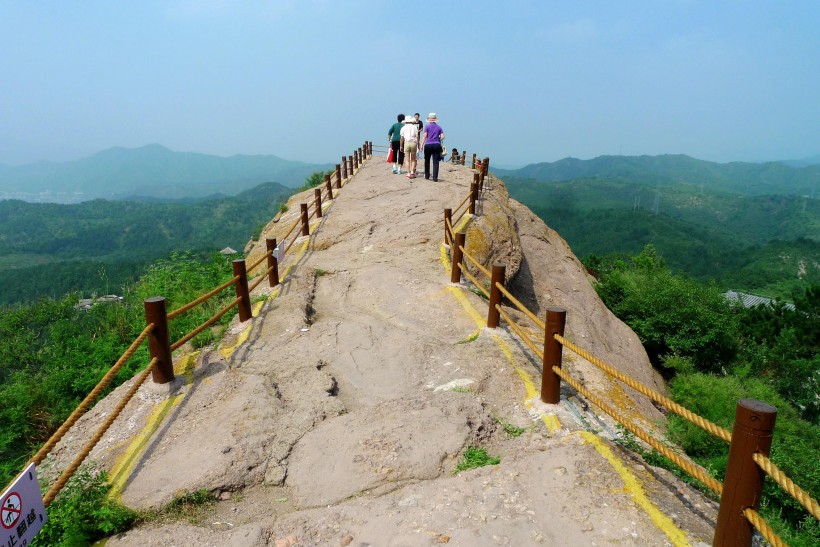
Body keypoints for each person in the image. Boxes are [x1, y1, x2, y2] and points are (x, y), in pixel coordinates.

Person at [419, 113, 445, 181]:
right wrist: (438, 137)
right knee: (436, 162)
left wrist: (421, 145)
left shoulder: (427, 126)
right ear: (435, 120)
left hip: (428, 145)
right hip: (436, 145)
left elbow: (424, 136)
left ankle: (427, 175)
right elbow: (443, 137)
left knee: (427, 160)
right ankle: (435, 177)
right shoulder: (439, 127)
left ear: (429, 120)